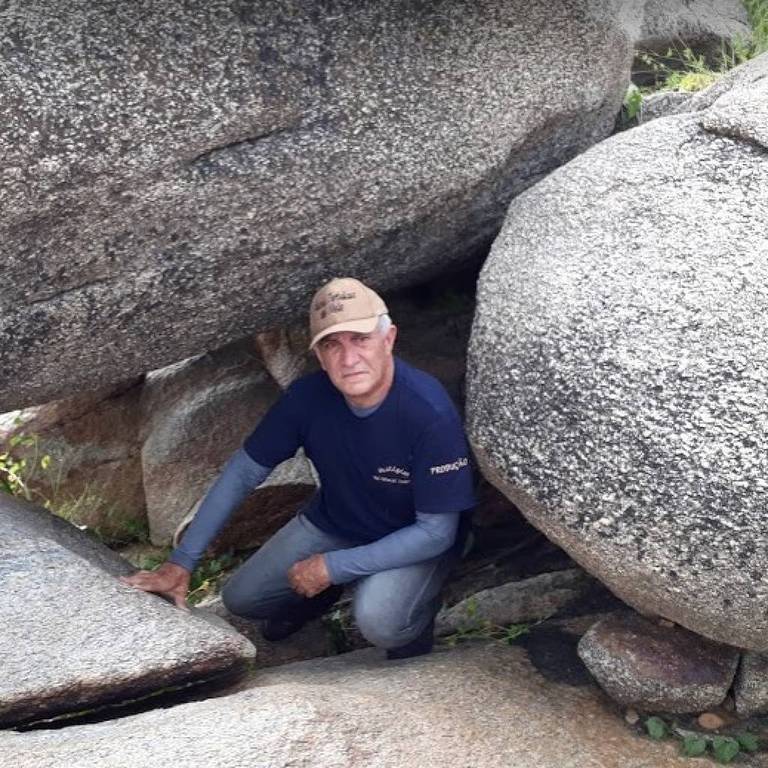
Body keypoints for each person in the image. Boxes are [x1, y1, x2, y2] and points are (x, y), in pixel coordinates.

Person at [122, 276, 476, 658]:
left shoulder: (427, 410)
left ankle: (414, 617)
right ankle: (320, 598)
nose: (349, 358)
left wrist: (334, 567)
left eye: (361, 339)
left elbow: (436, 532)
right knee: (243, 598)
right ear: (319, 356)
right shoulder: (307, 399)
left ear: (388, 339)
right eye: (331, 345)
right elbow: (243, 473)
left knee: (381, 623)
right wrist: (181, 563)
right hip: (338, 522)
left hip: (416, 535)